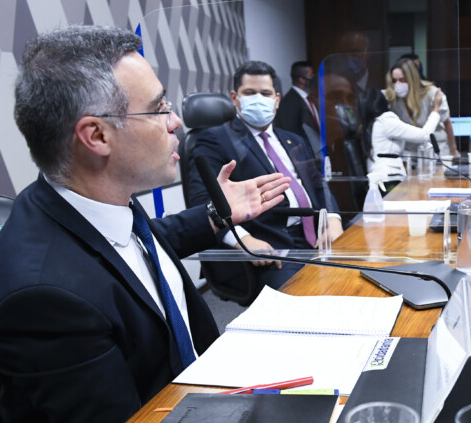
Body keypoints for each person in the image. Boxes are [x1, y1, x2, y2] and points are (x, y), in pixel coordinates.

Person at [0, 26, 290, 423]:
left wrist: (216, 215)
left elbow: (140, 248)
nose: (175, 121)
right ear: (97, 136)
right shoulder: (45, 298)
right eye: (158, 108)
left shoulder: (95, 201)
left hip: (199, 398)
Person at [186, 60, 344, 291]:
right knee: (311, 301)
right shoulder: (214, 140)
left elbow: (319, 185)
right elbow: (202, 201)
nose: (258, 99)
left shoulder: (293, 139)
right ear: (234, 98)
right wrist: (244, 241)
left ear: (277, 100)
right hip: (273, 248)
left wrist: (333, 220)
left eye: (265, 93)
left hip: (320, 238)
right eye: (249, 93)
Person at [359, 87, 444, 178]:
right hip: (390, 178)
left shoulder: (369, 125)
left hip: (378, 177)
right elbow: (425, 135)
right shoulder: (386, 121)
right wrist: (436, 109)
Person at [384, 58, 459, 158]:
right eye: (394, 81)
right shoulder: (393, 99)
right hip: (409, 155)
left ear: (412, 79)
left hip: (436, 153)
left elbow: (447, 123)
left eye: (402, 80)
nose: (397, 85)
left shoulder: (432, 94)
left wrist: (454, 151)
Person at [273, 60, 321, 161]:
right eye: (311, 74)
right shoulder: (289, 102)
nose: (314, 77)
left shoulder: (309, 98)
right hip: (304, 157)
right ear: (302, 79)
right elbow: (291, 132)